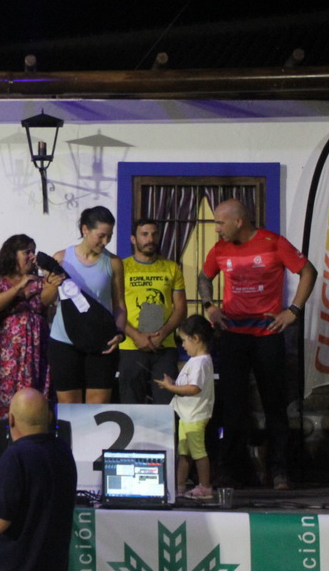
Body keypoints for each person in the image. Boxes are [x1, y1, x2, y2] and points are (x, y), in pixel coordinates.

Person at [197, 199, 317, 490]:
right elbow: (204, 277)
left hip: (267, 336)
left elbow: (308, 271)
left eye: (220, 223)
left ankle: (278, 471)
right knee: (233, 406)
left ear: (238, 221)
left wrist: (293, 310)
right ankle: (234, 472)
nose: (216, 229)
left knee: (275, 405)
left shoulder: (273, 243)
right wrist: (209, 306)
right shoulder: (221, 249)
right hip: (233, 336)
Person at [0, 234, 62, 479]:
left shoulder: (39, 282)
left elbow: (47, 300)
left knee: (34, 405)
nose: (31, 256)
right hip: (5, 357)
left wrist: (51, 281)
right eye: (26, 251)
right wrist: (19, 287)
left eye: (33, 251)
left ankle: (33, 467)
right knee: (3, 406)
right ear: (12, 254)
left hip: (35, 355)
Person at [0, 388, 77, 571]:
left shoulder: (16, 456)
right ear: (50, 417)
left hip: (10, 570)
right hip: (51, 569)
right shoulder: (63, 451)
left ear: (11, 419)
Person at [48, 206, 127, 404]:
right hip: (64, 340)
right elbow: (45, 299)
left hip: (102, 342)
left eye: (109, 236)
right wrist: (51, 284)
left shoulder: (114, 262)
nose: (105, 242)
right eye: (101, 236)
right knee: (69, 407)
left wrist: (119, 332)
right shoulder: (61, 258)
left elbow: (119, 304)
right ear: (85, 229)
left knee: (97, 407)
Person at [118, 218, 188, 404]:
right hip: (130, 347)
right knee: (131, 405)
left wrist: (162, 334)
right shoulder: (121, 267)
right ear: (133, 239)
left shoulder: (172, 268)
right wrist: (136, 336)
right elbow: (114, 308)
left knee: (166, 405)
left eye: (154, 234)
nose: (150, 239)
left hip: (164, 347)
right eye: (144, 234)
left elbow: (181, 309)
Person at [155, 315, 216, 499]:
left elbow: (193, 388)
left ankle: (205, 487)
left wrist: (171, 388)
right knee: (184, 452)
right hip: (186, 415)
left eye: (184, 340)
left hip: (195, 416)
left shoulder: (201, 362)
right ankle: (179, 486)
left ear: (195, 338)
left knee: (198, 453)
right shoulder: (196, 360)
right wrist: (174, 384)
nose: (183, 345)